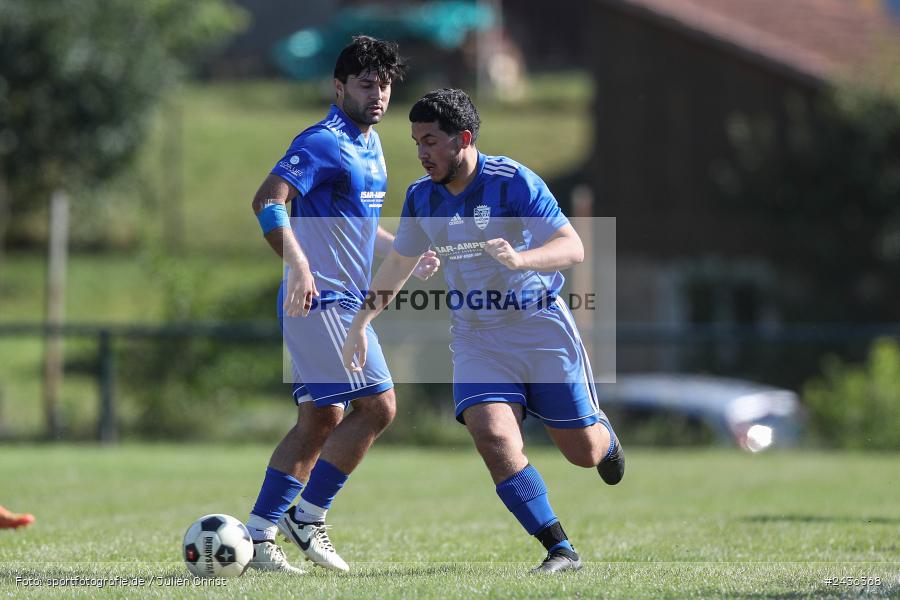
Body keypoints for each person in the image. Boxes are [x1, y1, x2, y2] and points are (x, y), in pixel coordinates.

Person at [341, 88, 624, 574]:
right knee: (492, 436)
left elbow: (571, 246)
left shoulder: (512, 182)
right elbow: (397, 267)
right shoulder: (421, 198)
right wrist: (361, 322)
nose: (422, 153)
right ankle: (560, 549)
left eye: (431, 141)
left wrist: (522, 258)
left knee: (583, 453)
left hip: (540, 328)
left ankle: (605, 438)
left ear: (463, 139)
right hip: (477, 338)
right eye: (415, 142)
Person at [247, 36, 439, 575]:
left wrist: (400, 249)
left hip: (341, 299)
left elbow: (354, 224)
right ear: (339, 87)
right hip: (321, 298)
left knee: (322, 417)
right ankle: (307, 517)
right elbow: (268, 201)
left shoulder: (372, 145)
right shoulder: (323, 140)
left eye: (384, 86)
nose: (377, 95)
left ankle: (259, 535)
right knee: (378, 407)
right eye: (365, 85)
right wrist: (299, 265)